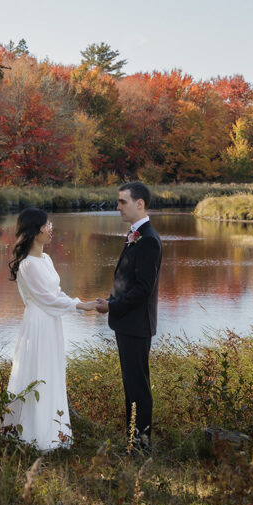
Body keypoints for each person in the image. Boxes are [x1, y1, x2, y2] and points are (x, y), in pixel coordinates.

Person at [1, 207, 97, 450]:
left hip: (52, 323)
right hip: (38, 325)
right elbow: (47, 299)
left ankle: (55, 430)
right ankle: (36, 436)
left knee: (52, 373)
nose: (51, 229)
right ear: (36, 230)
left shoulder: (46, 259)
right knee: (39, 373)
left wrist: (77, 302)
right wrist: (80, 306)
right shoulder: (28, 265)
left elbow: (56, 294)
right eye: (47, 226)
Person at [92, 181, 162, 451]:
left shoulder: (149, 240)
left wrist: (112, 306)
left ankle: (141, 446)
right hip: (127, 322)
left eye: (123, 201)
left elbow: (144, 289)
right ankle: (133, 441)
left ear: (139, 203)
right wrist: (111, 301)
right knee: (131, 387)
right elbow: (128, 282)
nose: (118, 206)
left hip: (136, 324)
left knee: (138, 388)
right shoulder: (136, 235)